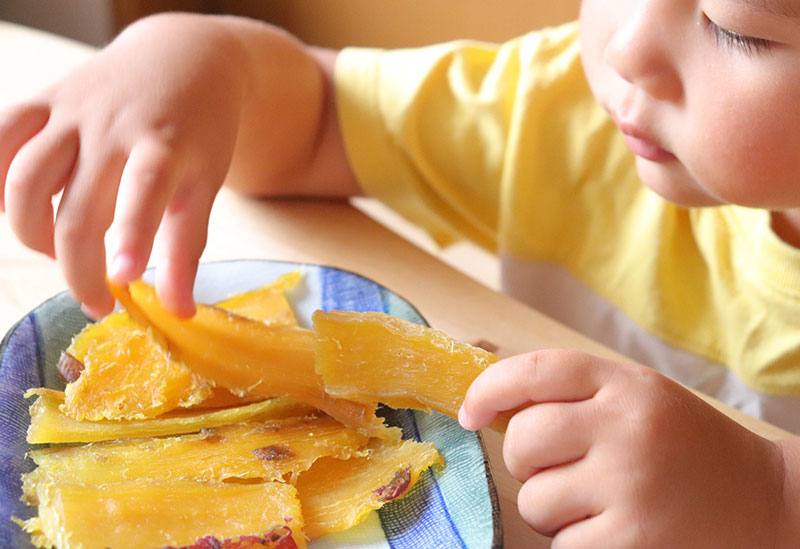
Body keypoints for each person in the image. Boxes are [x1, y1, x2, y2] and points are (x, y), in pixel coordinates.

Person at [2, 3, 800, 546]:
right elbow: (318, 118)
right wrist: (197, 61)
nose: (628, 45)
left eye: (738, 29)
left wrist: (770, 497)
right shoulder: (556, 112)